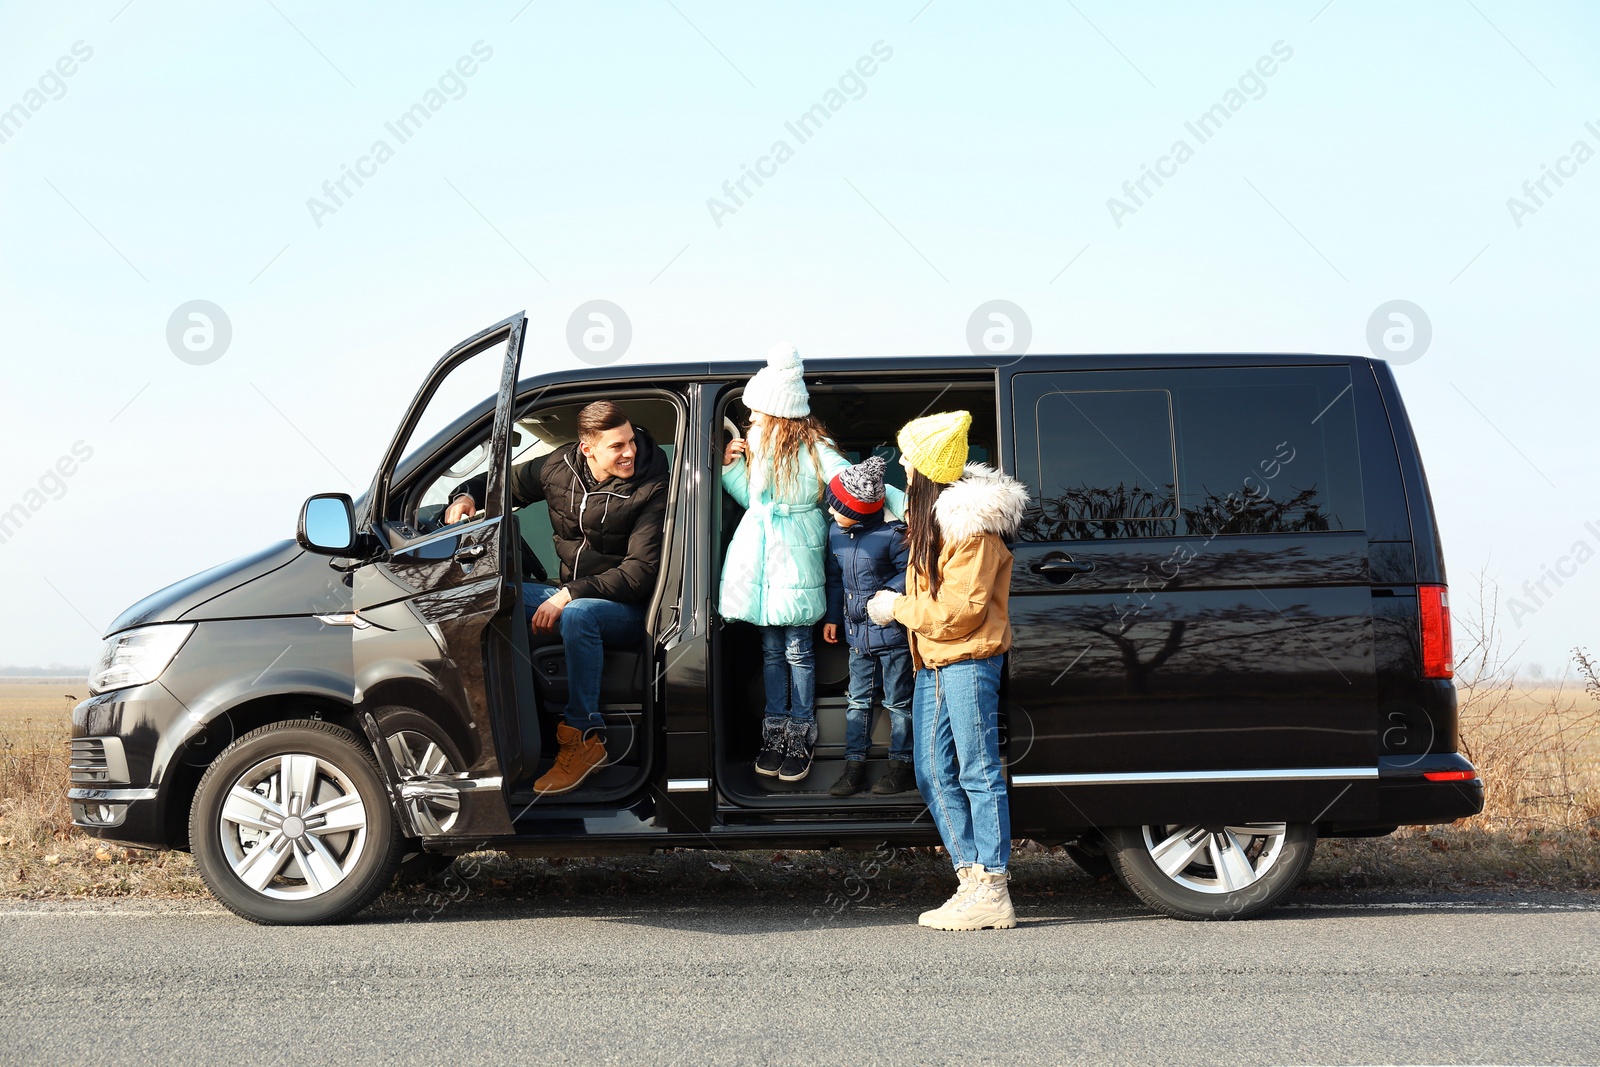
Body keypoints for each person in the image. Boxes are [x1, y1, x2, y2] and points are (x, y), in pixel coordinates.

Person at [445, 400, 669, 796]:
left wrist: (568, 594)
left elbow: (639, 573)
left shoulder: (651, 484)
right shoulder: (557, 467)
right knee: (489, 592)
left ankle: (583, 738)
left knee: (579, 615)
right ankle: (487, 727)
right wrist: (464, 496)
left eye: (631, 441)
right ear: (588, 449)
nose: (630, 451)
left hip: (632, 607)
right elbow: (500, 482)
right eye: (617, 446)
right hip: (568, 592)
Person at [866, 410, 1028, 931]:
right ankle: (971, 878)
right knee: (932, 771)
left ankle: (994, 888)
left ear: (929, 472)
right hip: (935, 661)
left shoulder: (972, 530)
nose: (902, 472)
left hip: (968, 658)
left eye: (909, 462)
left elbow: (961, 613)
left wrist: (896, 608)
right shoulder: (935, 522)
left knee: (978, 771)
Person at [720, 343, 903, 784]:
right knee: (769, 652)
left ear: (776, 410)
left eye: (756, 411)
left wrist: (905, 504)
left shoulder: (813, 444)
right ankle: (774, 732)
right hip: (760, 553)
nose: (750, 419)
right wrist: (729, 469)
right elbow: (754, 500)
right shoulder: (756, 444)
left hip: (797, 549)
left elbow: (849, 479)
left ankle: (800, 735)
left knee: (798, 651)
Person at [820, 455, 916, 797]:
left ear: (859, 511)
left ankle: (902, 766)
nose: (831, 513)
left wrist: (890, 592)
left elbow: (910, 572)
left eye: (837, 508)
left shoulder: (893, 534)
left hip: (892, 634)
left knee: (898, 702)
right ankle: (853, 767)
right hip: (856, 634)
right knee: (857, 701)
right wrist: (833, 617)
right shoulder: (837, 532)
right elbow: (835, 578)